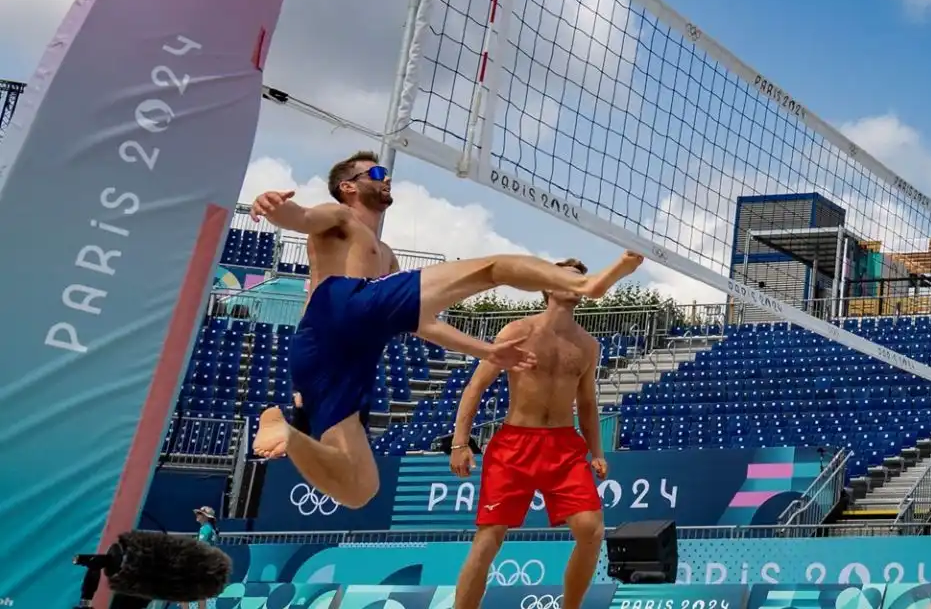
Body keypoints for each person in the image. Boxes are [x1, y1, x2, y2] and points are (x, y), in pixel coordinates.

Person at [248, 150, 645, 508]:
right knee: (493, 268)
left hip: (351, 355)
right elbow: (300, 218)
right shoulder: (340, 217)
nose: (386, 179)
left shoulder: (386, 258)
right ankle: (586, 285)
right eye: (377, 172)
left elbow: (421, 324)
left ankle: (289, 432)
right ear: (348, 187)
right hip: (333, 313)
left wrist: (487, 352)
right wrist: (272, 207)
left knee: (359, 489)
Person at [449, 258, 608, 609]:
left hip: (564, 446)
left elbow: (587, 404)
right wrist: (460, 442)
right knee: (489, 538)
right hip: (516, 443)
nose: (576, 284)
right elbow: (476, 387)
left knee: (591, 530)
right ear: (547, 286)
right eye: (567, 278)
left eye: (581, 280)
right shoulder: (517, 331)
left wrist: (596, 451)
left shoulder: (587, 345)